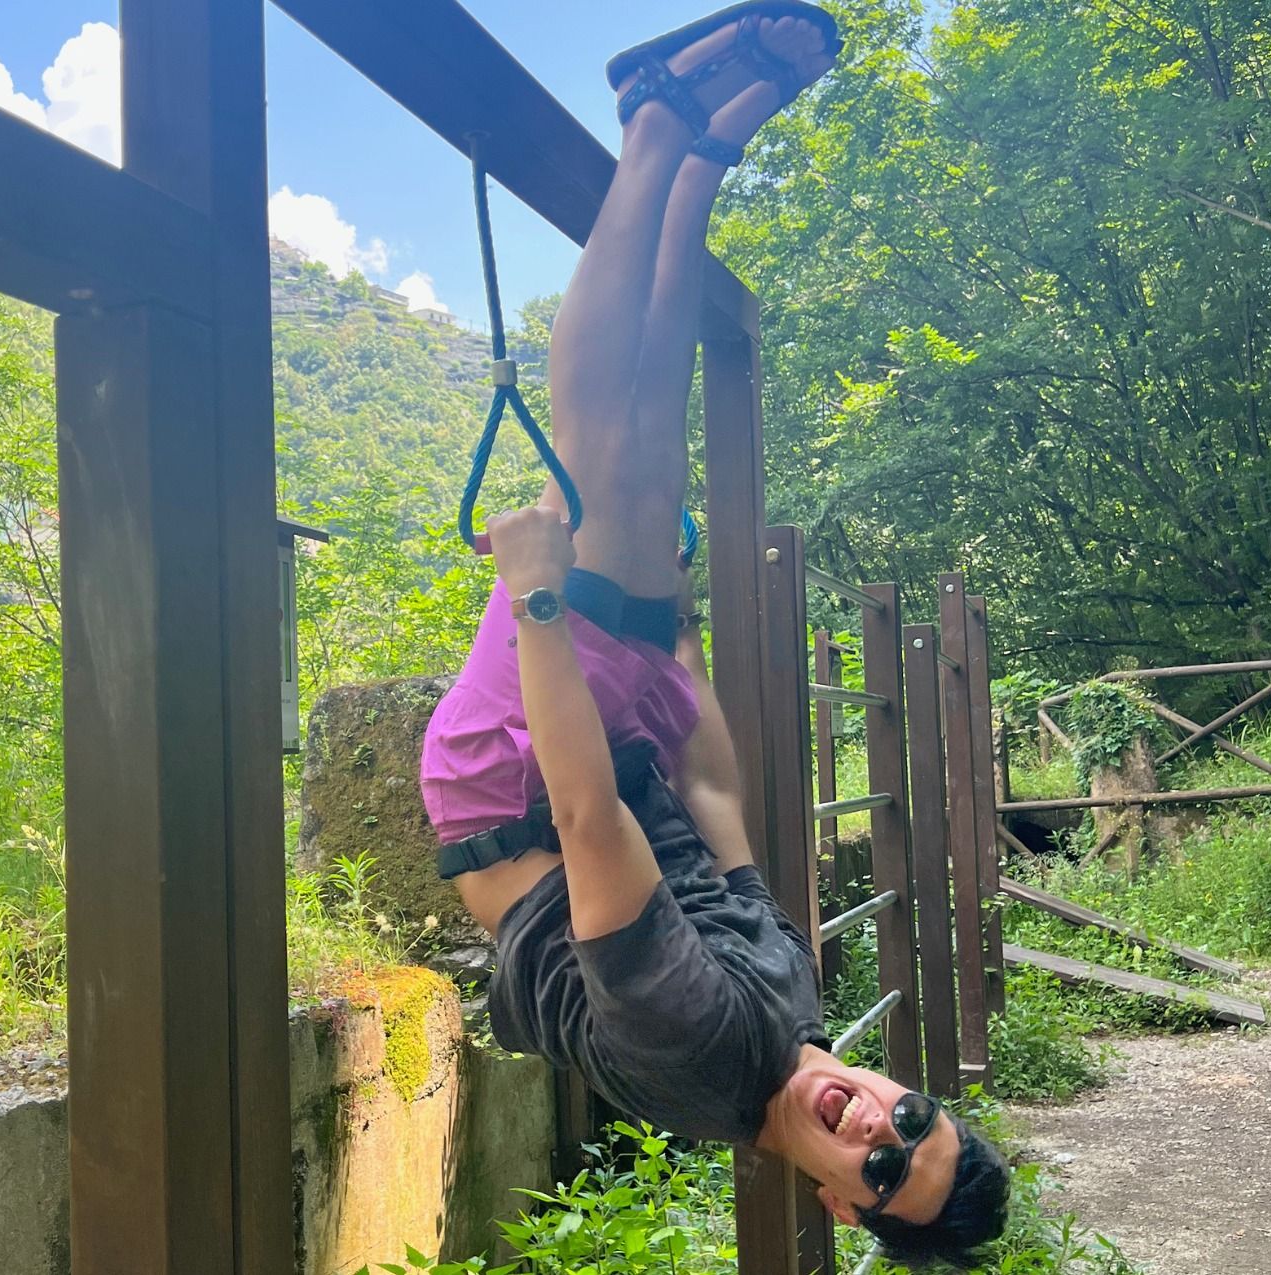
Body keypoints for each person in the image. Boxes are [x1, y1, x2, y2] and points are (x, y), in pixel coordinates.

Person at [419, 3, 1009, 1267]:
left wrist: (538, 597)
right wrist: (673, 655)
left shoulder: (701, 1064)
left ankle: (654, 123)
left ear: (844, 1209)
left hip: (520, 788)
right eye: (916, 1119)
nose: (877, 1125)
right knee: (652, 438)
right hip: (622, 760)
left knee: (602, 463)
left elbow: (591, 829)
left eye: (881, 1171)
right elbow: (719, 809)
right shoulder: (794, 1014)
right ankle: (693, 166)